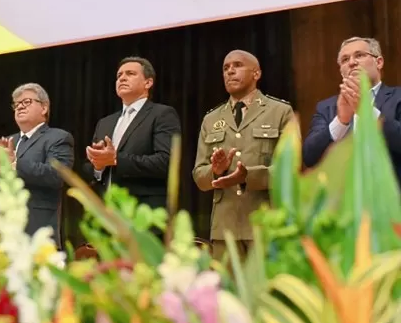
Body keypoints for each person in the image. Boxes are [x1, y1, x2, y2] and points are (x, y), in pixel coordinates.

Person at [192, 50, 293, 261]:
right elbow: (200, 177)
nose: (230, 71)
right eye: (226, 68)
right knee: (228, 292)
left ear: (256, 73)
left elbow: (291, 169)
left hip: (265, 223)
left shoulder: (280, 111)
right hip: (225, 229)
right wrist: (216, 171)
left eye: (237, 65)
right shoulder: (211, 119)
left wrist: (247, 177)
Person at [0, 83, 74, 246]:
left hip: (34, 232)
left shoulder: (58, 138)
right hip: (0, 233)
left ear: (44, 108)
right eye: (16, 104)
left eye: (26, 102)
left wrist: (14, 162)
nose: (20, 107)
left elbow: (57, 176)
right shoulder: (8, 141)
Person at [84, 56, 181, 212]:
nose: (122, 78)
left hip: (143, 214)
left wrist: (115, 159)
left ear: (148, 83)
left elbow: (166, 162)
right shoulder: (105, 123)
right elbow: (91, 171)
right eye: (119, 75)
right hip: (106, 215)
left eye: (130, 74)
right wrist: (98, 165)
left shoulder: (162, 114)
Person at [303, 37, 401, 183]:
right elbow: (310, 157)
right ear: (341, 71)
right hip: (343, 201)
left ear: (379, 62)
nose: (352, 62)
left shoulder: (398, 97)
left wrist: (367, 112)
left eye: (359, 55)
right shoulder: (326, 107)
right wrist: (340, 122)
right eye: (345, 59)